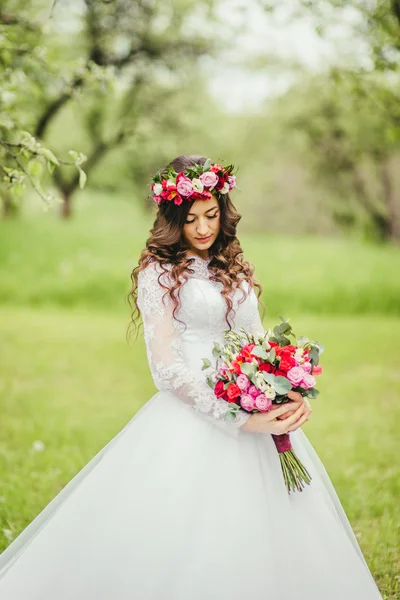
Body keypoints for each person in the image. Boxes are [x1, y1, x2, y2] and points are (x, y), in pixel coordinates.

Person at [0, 155, 382, 599]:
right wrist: (239, 418)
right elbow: (166, 368)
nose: (203, 228)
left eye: (212, 215)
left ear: (224, 211)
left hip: (251, 400)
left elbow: (256, 343)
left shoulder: (233, 265)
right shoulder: (158, 273)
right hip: (196, 409)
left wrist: (286, 392)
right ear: (172, 219)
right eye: (191, 219)